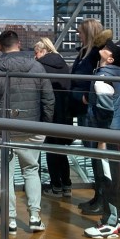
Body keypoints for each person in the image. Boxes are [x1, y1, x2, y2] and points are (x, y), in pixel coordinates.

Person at [0, 30, 54, 234]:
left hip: (2, 130)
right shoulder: (36, 66)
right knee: (31, 170)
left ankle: (10, 219)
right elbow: (48, 99)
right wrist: (45, 126)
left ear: (0, 47)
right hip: (31, 128)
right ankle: (34, 217)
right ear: (19, 44)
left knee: (5, 175)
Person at [82, 34, 120, 238]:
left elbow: (105, 110)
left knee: (108, 176)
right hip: (114, 130)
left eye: (108, 48)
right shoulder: (116, 74)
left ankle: (111, 221)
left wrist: (100, 137)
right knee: (112, 175)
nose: (104, 47)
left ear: (110, 59)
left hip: (105, 131)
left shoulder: (102, 77)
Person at [70, 19, 105, 212]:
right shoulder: (85, 52)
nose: (78, 35)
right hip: (84, 110)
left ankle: (102, 198)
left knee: (97, 155)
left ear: (89, 33)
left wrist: (86, 96)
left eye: (80, 32)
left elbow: (101, 79)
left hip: (91, 111)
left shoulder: (96, 54)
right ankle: (98, 195)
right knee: (93, 154)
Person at [35, 37, 73, 198]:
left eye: (36, 53)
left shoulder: (41, 67)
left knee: (51, 150)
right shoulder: (64, 65)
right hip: (64, 114)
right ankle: (67, 185)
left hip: (49, 113)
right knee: (62, 151)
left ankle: (56, 186)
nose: (35, 56)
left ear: (43, 51)